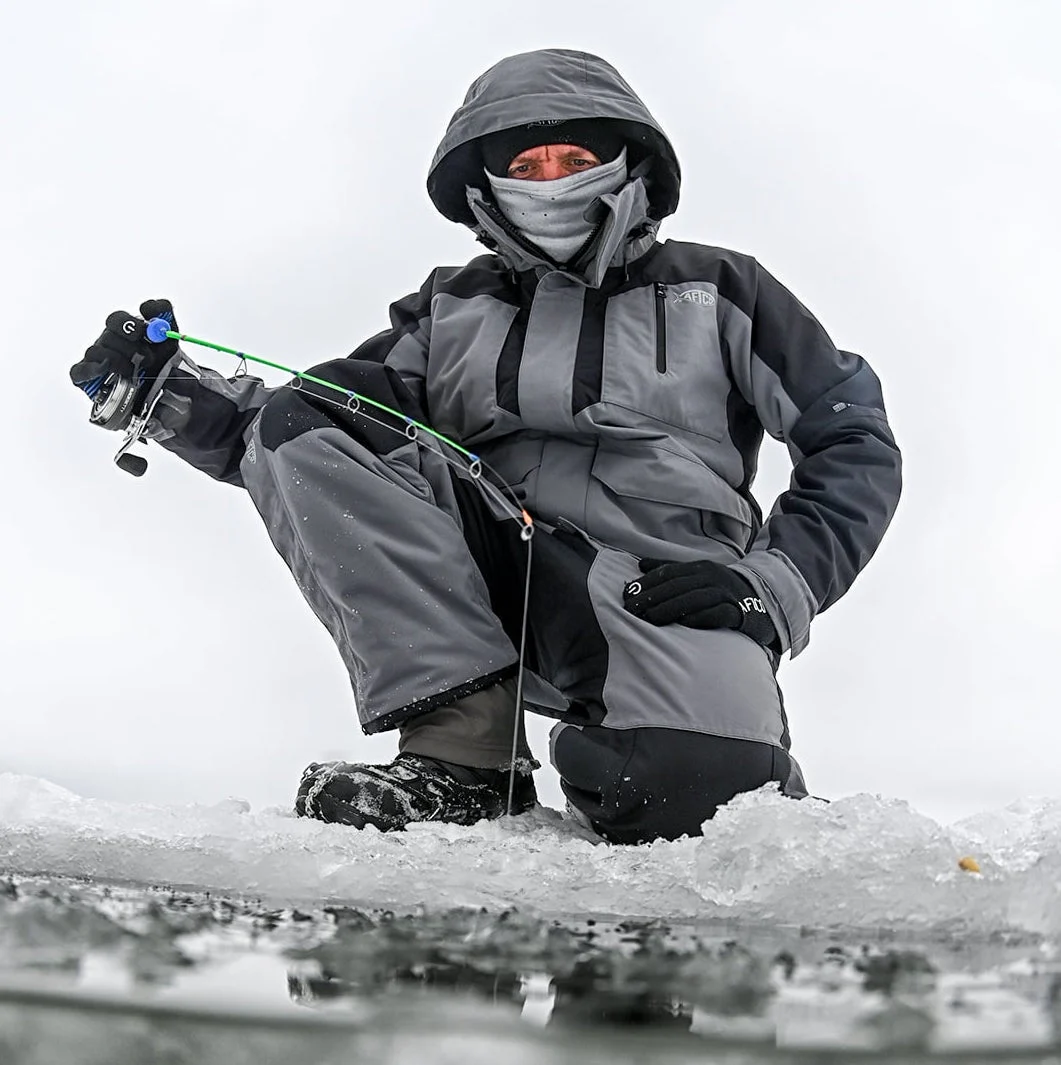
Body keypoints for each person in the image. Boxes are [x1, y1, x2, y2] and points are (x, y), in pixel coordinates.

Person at [70, 49, 901, 845]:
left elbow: (851, 437)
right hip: (489, 573)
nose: (550, 184)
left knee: (692, 803)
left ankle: (739, 770)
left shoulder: (724, 289)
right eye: (526, 167)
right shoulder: (447, 308)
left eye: (573, 157)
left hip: (666, 597)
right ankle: (467, 757)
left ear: (627, 164)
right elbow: (315, 439)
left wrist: (770, 587)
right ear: (488, 184)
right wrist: (166, 396)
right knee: (310, 410)